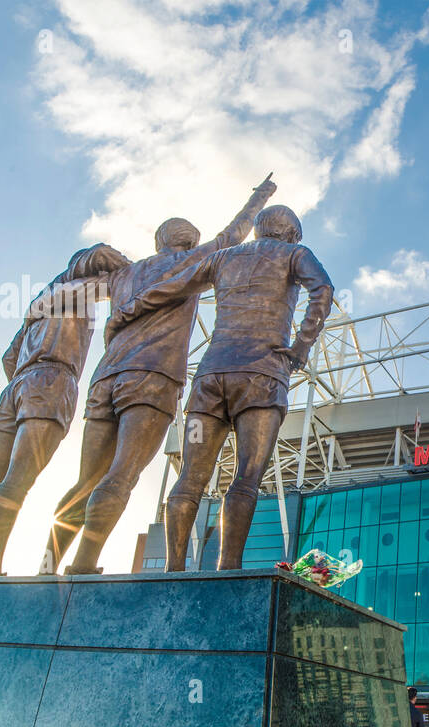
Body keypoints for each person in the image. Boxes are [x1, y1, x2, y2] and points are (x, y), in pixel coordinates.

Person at [42, 175, 276, 574]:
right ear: (188, 241)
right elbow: (234, 234)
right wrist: (261, 197)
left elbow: (59, 296)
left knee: (85, 480)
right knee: (121, 476)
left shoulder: (122, 276)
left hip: (105, 378)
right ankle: (82, 566)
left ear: (159, 241)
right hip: (152, 379)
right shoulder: (192, 261)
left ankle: (48, 565)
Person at [115, 205, 334, 571]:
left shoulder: (222, 258)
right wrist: (301, 346)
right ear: (292, 234)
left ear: (259, 228)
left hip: (211, 377)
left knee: (190, 477)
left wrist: (127, 309)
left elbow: (170, 287)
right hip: (261, 376)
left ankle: (172, 570)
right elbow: (322, 291)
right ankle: (227, 568)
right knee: (246, 477)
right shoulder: (296, 254)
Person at [0, 244, 130, 575]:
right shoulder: (81, 289)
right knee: (17, 481)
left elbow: (8, 355)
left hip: (15, 386)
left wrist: (25, 382)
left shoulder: (42, 298)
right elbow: (127, 279)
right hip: (51, 379)